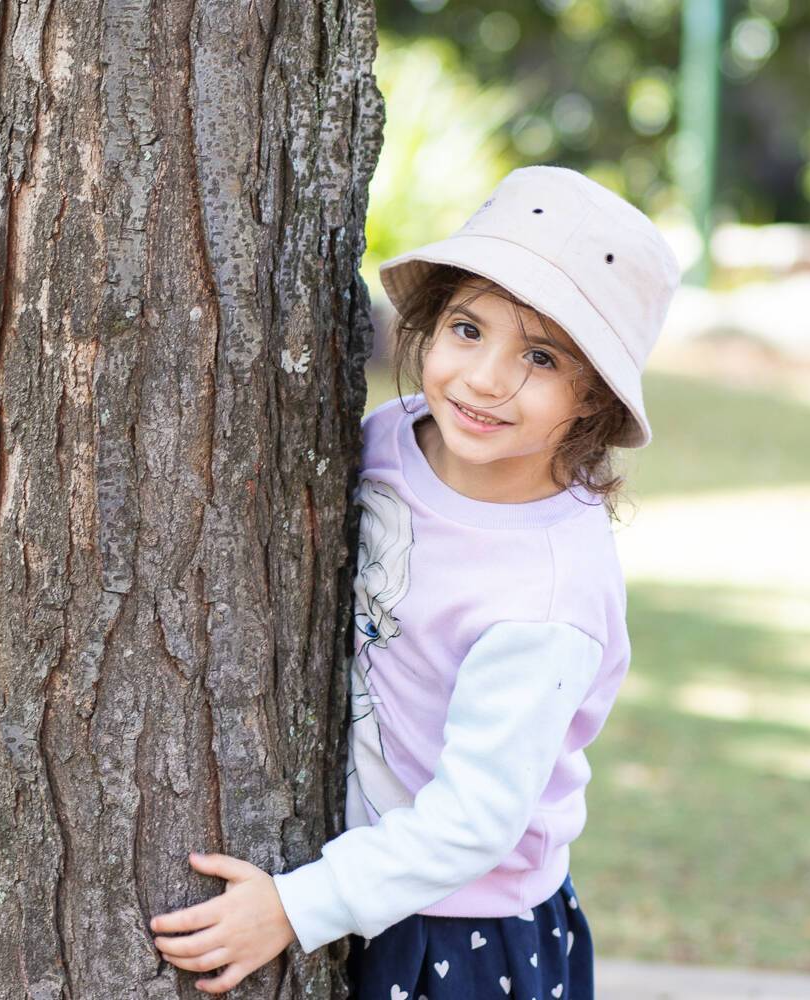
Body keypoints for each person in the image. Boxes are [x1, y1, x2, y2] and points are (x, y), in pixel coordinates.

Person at [150, 166, 681, 999]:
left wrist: (296, 908)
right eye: (469, 330)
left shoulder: (546, 597)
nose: (484, 379)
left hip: (462, 930)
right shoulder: (394, 439)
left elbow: (475, 822)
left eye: (540, 356)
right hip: (364, 882)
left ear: (594, 399)